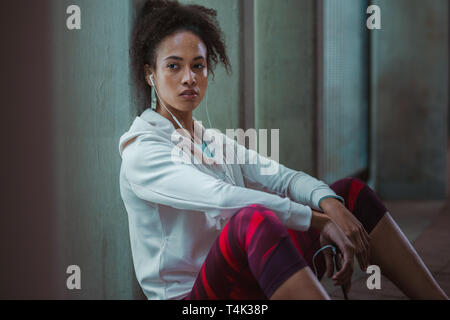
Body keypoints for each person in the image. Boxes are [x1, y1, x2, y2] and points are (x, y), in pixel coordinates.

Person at [119, 0, 448, 300]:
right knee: (253, 219)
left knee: (349, 194)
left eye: (198, 65)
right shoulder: (143, 150)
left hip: (241, 281)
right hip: (194, 300)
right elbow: (221, 197)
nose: (189, 78)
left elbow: (284, 179)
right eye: (174, 66)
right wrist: (318, 223)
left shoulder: (211, 140)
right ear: (151, 74)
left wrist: (331, 207)